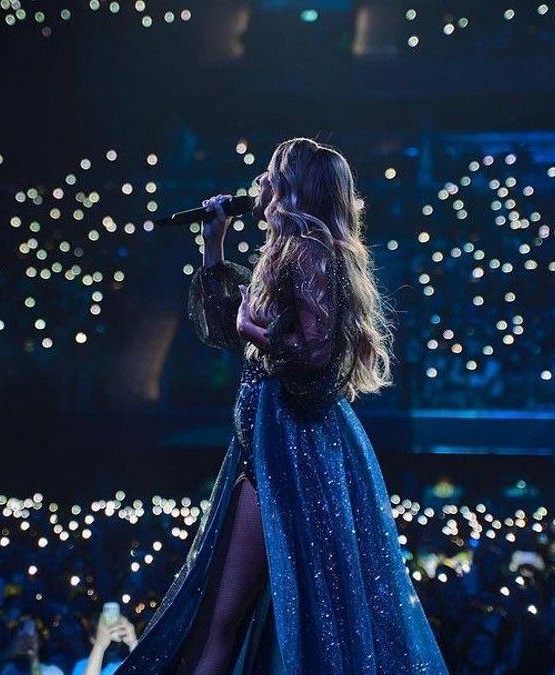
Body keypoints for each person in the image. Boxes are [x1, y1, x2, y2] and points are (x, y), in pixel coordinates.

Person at [114, 138, 448, 674]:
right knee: (235, 618)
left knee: (222, 620)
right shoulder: (293, 250)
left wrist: (257, 332)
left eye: (268, 173)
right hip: (271, 450)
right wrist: (214, 248)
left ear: (292, 187)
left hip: (289, 458)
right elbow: (229, 331)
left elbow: (314, 351)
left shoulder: (308, 250)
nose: (258, 182)